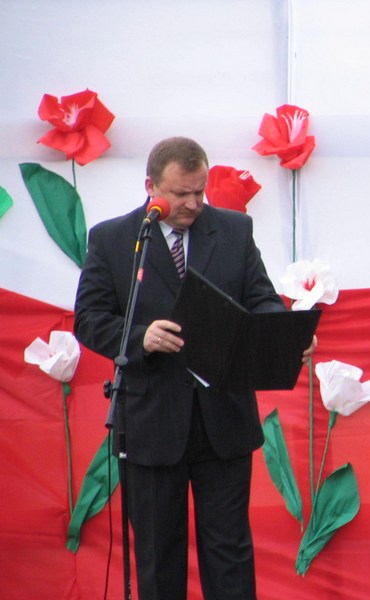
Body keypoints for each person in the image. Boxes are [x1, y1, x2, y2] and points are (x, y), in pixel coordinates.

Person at [74, 136, 314, 599]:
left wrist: (286, 335)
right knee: (159, 554)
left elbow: (262, 300)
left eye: (200, 191)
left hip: (224, 419)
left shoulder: (234, 230)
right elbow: (89, 319)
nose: (193, 203)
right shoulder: (113, 239)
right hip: (151, 423)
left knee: (229, 552)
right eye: (181, 193)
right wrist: (140, 337)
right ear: (151, 187)